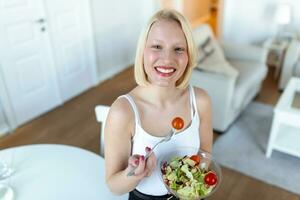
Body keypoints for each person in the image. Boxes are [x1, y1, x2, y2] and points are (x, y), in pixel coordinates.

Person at [104, 9, 213, 200]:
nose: (167, 59)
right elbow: (115, 186)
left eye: (178, 49)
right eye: (156, 46)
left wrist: (193, 182)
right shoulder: (123, 112)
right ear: (143, 52)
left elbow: (205, 155)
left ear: (188, 56)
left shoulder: (200, 101)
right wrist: (134, 174)